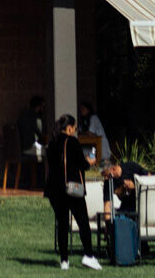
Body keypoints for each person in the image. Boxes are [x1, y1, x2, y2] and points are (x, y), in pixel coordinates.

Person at [43, 113, 102, 271]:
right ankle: (88, 255)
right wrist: (89, 161)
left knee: (62, 224)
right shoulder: (72, 142)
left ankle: (64, 261)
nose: (75, 131)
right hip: (71, 188)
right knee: (83, 222)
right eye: (74, 128)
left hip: (54, 190)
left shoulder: (52, 143)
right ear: (69, 128)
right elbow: (81, 164)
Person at [77, 99, 111, 165]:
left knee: (101, 163)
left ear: (88, 109)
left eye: (83, 108)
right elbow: (79, 131)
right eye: (81, 109)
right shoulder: (84, 120)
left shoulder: (93, 118)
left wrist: (82, 133)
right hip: (91, 145)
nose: (81, 110)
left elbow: (90, 133)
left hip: (100, 145)